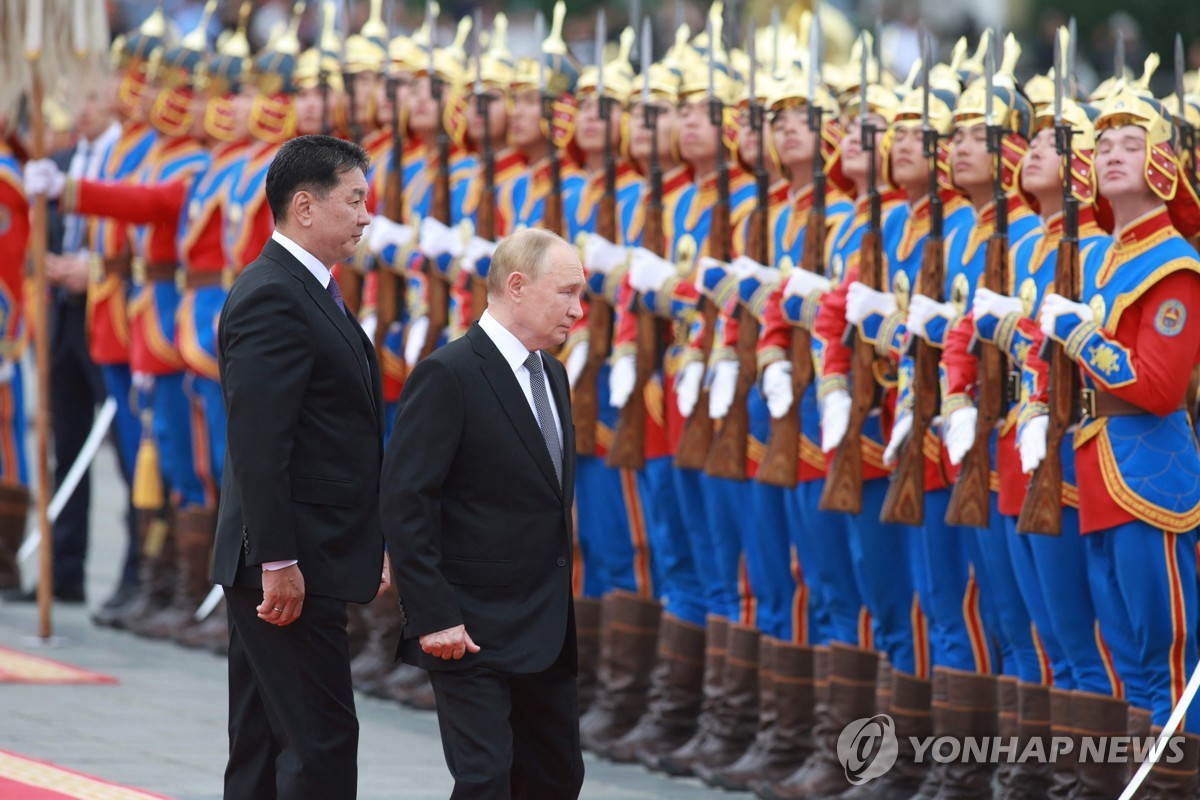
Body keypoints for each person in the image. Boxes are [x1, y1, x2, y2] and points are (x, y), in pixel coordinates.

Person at [381, 226, 586, 800]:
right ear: (516, 286)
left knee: (555, 779)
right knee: (485, 781)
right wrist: (432, 614)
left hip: (543, 627)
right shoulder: (451, 373)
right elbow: (406, 500)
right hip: (468, 629)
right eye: (566, 293)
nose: (578, 309)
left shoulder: (553, 375)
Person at [211, 134, 387, 800]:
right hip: (288, 563)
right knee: (321, 743)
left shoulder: (308, 288)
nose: (366, 216)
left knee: (261, 743)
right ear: (305, 208)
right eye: (354, 200)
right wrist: (278, 561)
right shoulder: (274, 296)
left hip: (301, 553)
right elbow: (261, 442)